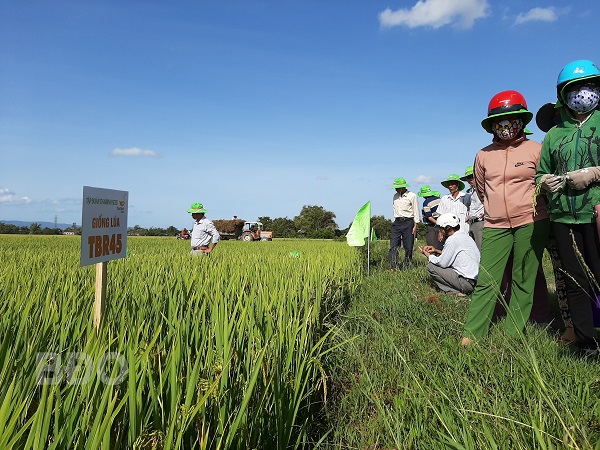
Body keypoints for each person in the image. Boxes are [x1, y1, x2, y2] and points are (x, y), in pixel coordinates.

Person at [462, 90, 550, 345]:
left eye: (512, 118)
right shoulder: (483, 155)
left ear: (522, 120)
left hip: (532, 221)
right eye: (500, 121)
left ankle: (513, 332)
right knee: (488, 278)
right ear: (492, 125)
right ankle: (472, 334)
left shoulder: (536, 149)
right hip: (495, 224)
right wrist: (495, 208)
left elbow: (543, 182)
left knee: (524, 277)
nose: (506, 125)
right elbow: (481, 188)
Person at [536, 59, 600, 352]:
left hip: (596, 213)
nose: (582, 93)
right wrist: (544, 182)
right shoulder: (554, 135)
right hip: (563, 218)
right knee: (575, 280)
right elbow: (540, 173)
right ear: (564, 94)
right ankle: (586, 343)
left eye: (588, 86)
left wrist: (594, 172)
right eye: (575, 88)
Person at [419, 213, 480, 296]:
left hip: (466, 282)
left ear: (448, 228)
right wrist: (436, 251)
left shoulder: (452, 240)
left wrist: (428, 256)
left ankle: (455, 292)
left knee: (431, 267)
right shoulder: (465, 237)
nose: (440, 231)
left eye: (441, 229)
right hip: (476, 281)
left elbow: (442, 263)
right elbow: (454, 254)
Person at [389, 177, 420, 271]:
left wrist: (416, 225)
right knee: (393, 244)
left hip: (408, 222)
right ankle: (394, 266)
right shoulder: (395, 196)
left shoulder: (412, 196)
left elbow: (416, 211)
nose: (396, 189)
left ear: (403, 187)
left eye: (397, 187)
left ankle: (407, 265)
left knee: (408, 245)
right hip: (397, 222)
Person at [460, 166, 484, 250]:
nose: (470, 179)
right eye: (468, 177)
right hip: (473, 223)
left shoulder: (483, 188)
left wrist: (485, 213)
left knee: (480, 249)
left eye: (472, 177)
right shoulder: (472, 191)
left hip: (480, 222)